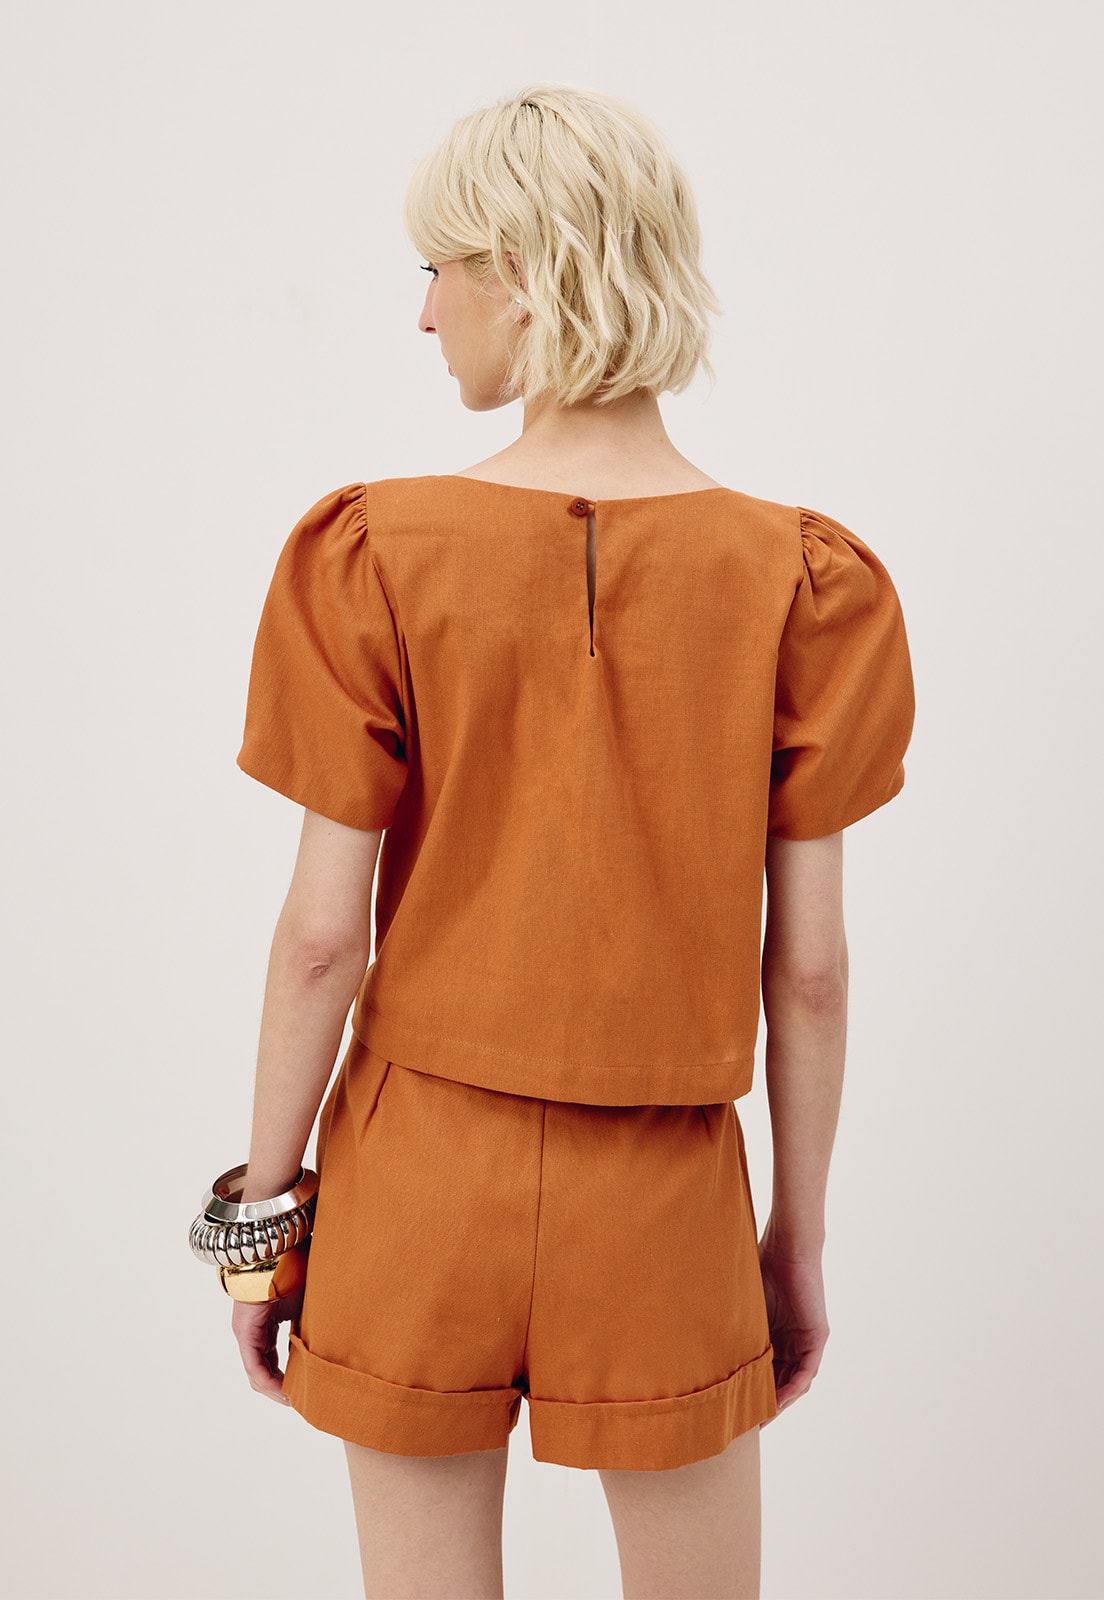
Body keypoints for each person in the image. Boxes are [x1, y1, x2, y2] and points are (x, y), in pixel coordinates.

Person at [194, 83, 914, 1600]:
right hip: (668, 1190)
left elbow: (322, 940)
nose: (424, 313)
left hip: (414, 1176)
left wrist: (260, 1227)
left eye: (438, 268)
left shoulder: (371, 555)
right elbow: (813, 972)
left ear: (520, 272)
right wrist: (792, 1237)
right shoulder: (805, 582)